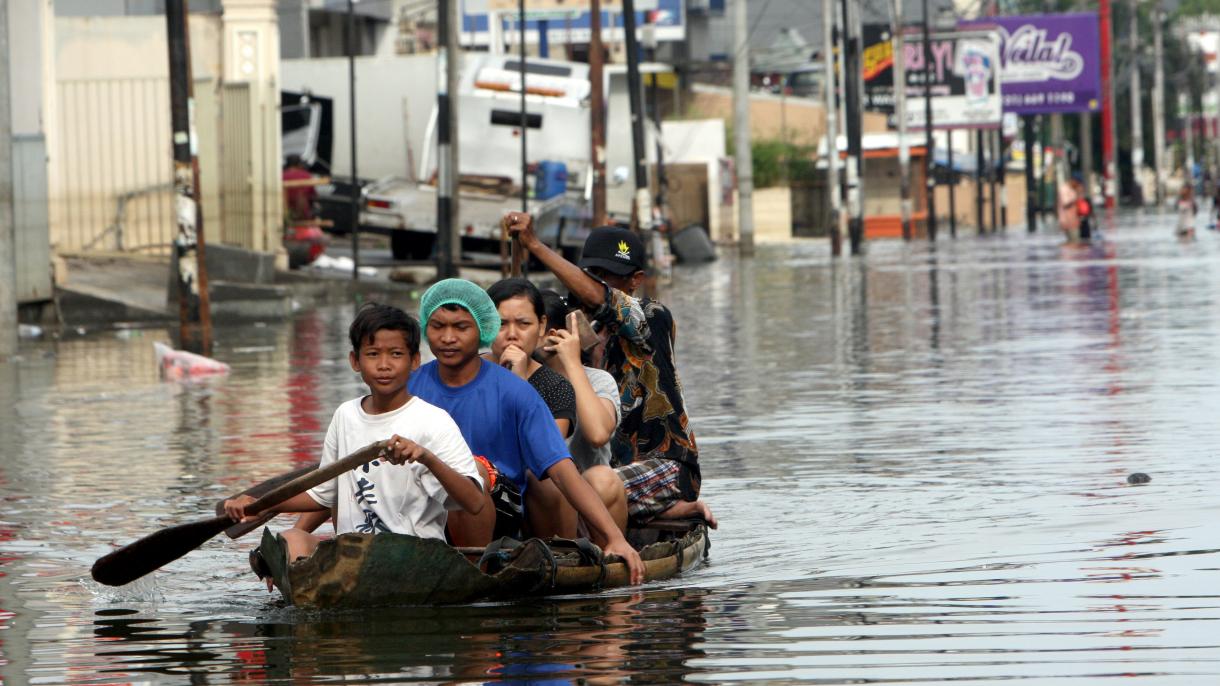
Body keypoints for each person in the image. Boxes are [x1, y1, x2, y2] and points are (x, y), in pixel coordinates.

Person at [407, 278, 644, 582]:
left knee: (471, 472)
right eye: (438, 327)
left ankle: (474, 573)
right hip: (425, 501)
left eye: (461, 328)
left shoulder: (517, 391)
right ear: (426, 329)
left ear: (482, 329)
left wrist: (614, 537)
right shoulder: (411, 387)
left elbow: (561, 470)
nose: (449, 338)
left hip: (498, 503)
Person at [224, 303, 485, 566]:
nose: (384, 365)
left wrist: (425, 457)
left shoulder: (433, 421)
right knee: (291, 538)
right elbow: (322, 493)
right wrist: (260, 506)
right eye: (373, 354)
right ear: (355, 361)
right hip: (353, 558)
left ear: (414, 360)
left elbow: (474, 502)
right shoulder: (345, 415)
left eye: (396, 354)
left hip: (414, 557)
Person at [504, 214, 717, 530]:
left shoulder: (651, 317)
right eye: (592, 274)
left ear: (635, 279)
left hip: (665, 466)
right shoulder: (577, 330)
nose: (596, 283)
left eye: (609, 276)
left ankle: (666, 509)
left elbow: (600, 298)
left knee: (582, 491)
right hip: (602, 468)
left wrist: (535, 245)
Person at [538, 289, 621, 473]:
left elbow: (598, 434)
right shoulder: (511, 375)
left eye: (525, 325)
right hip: (538, 489)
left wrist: (573, 363)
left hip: (589, 485)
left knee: (603, 478)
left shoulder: (598, 380)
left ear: (553, 333)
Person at [486, 278, 577, 439]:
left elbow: (546, 452)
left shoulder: (556, 388)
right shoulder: (467, 370)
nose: (512, 334)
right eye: (501, 324)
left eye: (524, 324)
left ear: (542, 326)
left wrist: (519, 386)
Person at [282, 154, 317, 222]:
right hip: (303, 214)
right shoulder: (306, 175)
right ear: (299, 164)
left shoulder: (282, 175)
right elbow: (313, 194)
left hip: (284, 214)